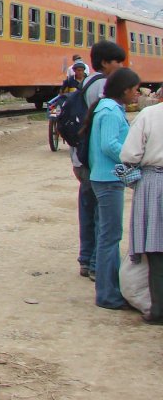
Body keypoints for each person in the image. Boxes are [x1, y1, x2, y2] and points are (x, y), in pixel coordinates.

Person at [82, 66, 141, 309]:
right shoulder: (110, 111)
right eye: (136, 90)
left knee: (108, 235)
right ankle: (107, 294)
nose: (137, 94)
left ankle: (111, 290)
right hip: (108, 180)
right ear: (124, 89)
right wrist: (133, 156)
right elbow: (109, 145)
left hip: (105, 178)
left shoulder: (107, 108)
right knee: (110, 237)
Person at [73, 41, 127, 280]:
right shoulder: (105, 87)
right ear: (106, 62)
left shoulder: (86, 81)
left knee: (86, 209)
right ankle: (96, 265)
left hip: (80, 156)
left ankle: (86, 259)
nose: (121, 66)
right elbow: (107, 138)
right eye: (118, 62)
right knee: (100, 216)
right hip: (96, 161)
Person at [120, 99, 163, 324]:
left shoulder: (149, 114)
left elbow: (129, 155)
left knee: (155, 249)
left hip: (154, 182)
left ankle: (158, 310)